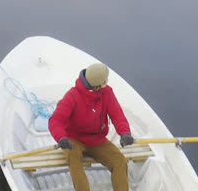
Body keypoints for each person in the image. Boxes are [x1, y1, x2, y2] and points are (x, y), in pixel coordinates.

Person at [48, 61, 136, 191]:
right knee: (73, 159)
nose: (107, 83)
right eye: (104, 81)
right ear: (96, 86)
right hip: (74, 140)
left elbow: (117, 115)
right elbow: (55, 120)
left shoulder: (107, 92)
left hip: (97, 140)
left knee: (119, 161)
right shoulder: (72, 96)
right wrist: (61, 138)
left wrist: (125, 133)